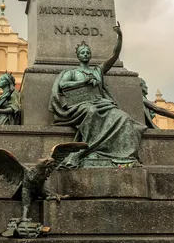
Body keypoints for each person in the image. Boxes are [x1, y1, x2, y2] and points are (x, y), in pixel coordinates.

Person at [49, 22, 146, 168]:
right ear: (78, 56)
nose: (85, 54)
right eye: (82, 52)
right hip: (80, 105)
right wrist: (84, 83)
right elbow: (63, 85)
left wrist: (120, 36)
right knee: (91, 112)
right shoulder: (72, 73)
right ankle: (91, 149)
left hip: (101, 103)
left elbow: (114, 56)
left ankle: (122, 154)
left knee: (123, 117)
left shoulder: (97, 70)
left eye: (87, 52)